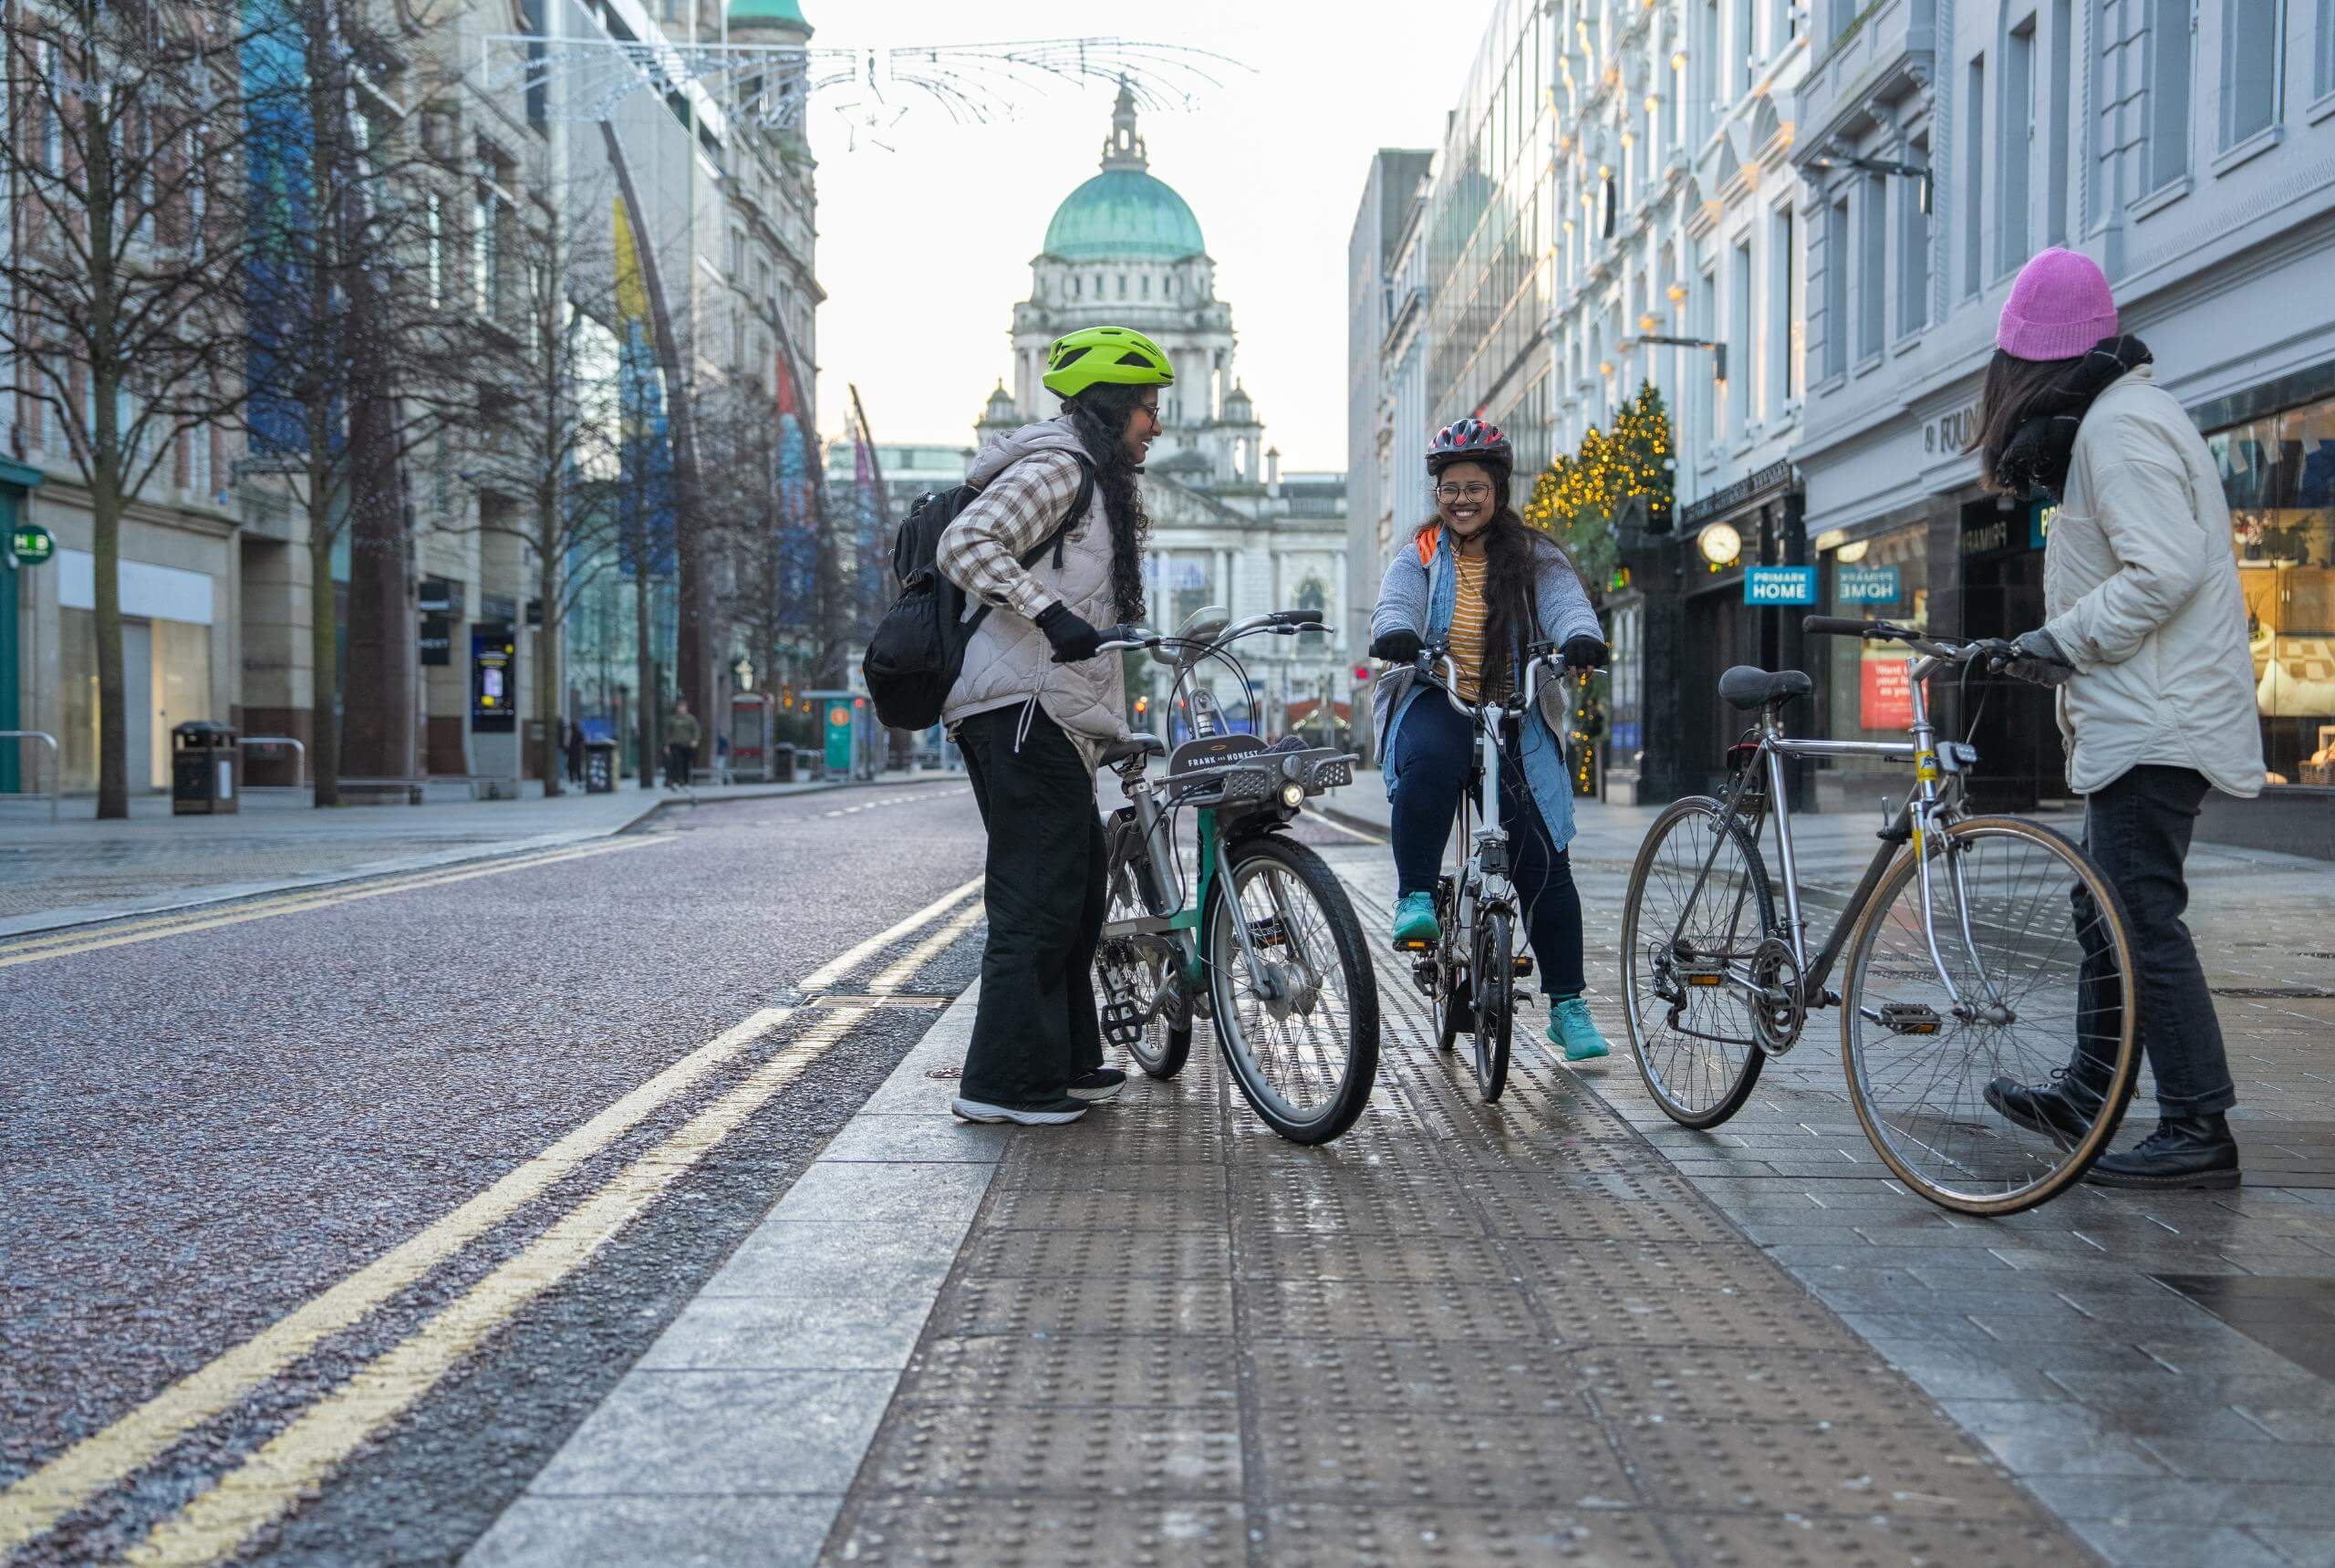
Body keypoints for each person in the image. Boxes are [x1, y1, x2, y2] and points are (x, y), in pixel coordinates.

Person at [1973, 247, 2265, 1189]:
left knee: (2138, 914)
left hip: (2158, 717)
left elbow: (2163, 572)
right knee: (2101, 907)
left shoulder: (2119, 430)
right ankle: (2089, 1093)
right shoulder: (2116, 418)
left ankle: (2196, 1126)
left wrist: (2054, 640)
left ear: (2028, 362)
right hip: (2145, 709)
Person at [935, 326, 1169, 1126]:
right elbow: (964, 543)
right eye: (1146, 408)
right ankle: (1003, 1083)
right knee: (1036, 896)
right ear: (1109, 408)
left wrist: (1111, 726)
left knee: (1074, 894)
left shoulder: (1097, 482)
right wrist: (1044, 609)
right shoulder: (1058, 468)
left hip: (1050, 713)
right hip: (1016, 711)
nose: (1158, 424)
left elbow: (1091, 629)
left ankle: (1065, 1062)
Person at [1367, 418, 1615, 1064]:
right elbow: (1397, 600)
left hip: (1512, 708)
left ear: (1497, 490)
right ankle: (1416, 896)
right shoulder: (1421, 550)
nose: (1462, 499)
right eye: (1451, 487)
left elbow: (1565, 601)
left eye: (1475, 486)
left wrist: (1580, 635)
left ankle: (1568, 1005)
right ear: (1439, 493)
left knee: (1542, 850)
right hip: (1441, 694)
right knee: (1428, 763)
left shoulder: (1534, 554)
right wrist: (1397, 630)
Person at [665, 699, 701, 793]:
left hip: (687, 745)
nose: (681, 709)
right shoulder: (672, 719)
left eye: (683, 707)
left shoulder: (690, 719)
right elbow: (667, 733)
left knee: (686, 764)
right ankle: (677, 782)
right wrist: (667, 745)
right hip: (675, 745)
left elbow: (696, 731)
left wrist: (695, 740)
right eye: (680, 707)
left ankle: (686, 782)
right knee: (677, 763)